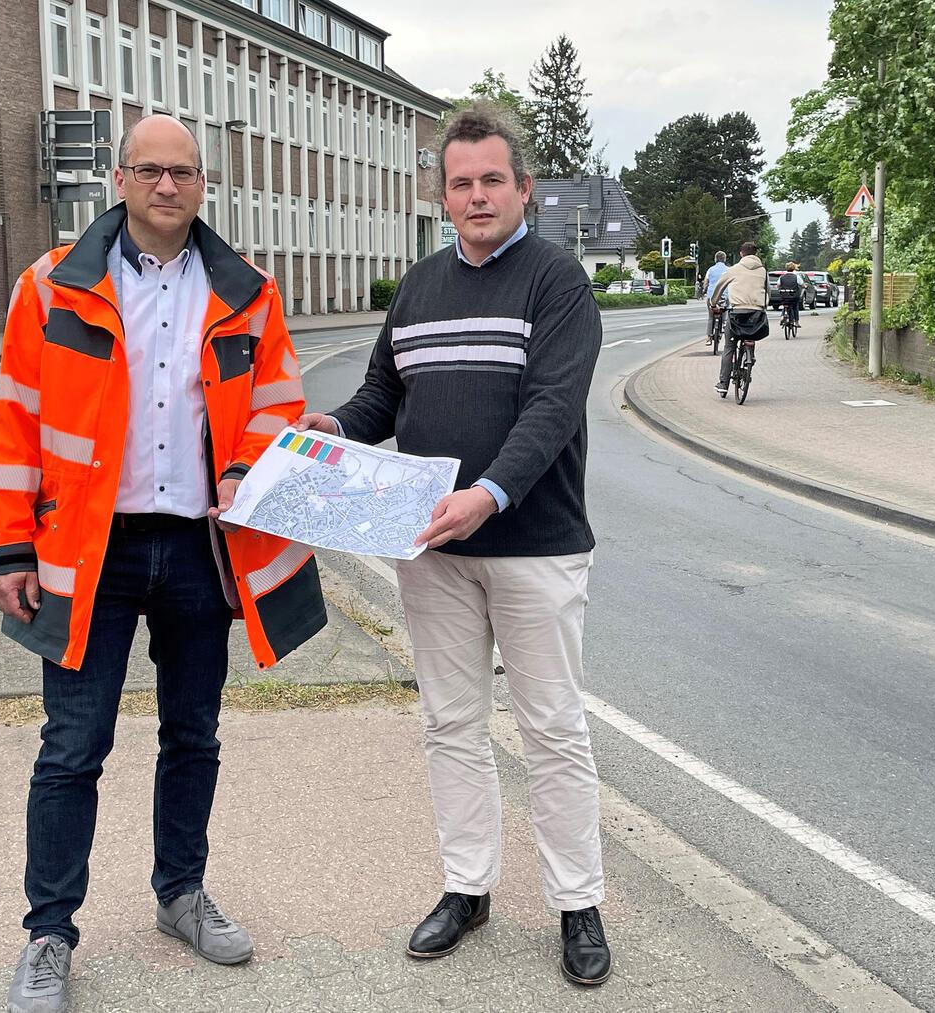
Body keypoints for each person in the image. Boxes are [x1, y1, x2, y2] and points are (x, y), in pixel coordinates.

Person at [0, 113, 327, 1013]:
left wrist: (254, 467)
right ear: (120, 178)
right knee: (71, 747)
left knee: (194, 733)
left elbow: (277, 404)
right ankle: (49, 933)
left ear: (203, 184)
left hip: (196, 547)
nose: (167, 186)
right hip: (84, 551)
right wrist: (10, 546)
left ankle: (181, 893)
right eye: (150, 170)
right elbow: (17, 419)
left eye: (183, 172)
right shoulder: (52, 284)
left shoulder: (248, 292)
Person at [296, 100, 612, 988]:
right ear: (441, 194)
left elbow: (552, 407)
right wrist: (334, 429)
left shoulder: (557, 283)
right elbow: (381, 402)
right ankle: (467, 887)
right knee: (451, 723)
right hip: (428, 544)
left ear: (524, 188)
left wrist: (489, 493)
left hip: (534, 544)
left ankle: (576, 902)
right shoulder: (420, 286)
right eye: (461, 183)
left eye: (491, 181)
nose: (477, 197)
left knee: (551, 726)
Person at [711, 243, 770, 396]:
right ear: (756, 254)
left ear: (741, 254)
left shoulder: (734, 269)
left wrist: (713, 303)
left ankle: (723, 383)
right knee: (751, 334)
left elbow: (719, 287)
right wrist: (763, 305)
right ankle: (750, 357)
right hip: (757, 313)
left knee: (729, 346)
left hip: (737, 312)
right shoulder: (763, 271)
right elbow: (768, 291)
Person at [702, 251, 730, 347]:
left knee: (710, 317)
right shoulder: (728, 270)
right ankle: (723, 327)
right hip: (724, 296)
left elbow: (706, 282)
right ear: (725, 259)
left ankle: (709, 337)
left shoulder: (710, 270)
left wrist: (704, 291)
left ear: (715, 259)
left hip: (711, 296)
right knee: (725, 312)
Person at [776, 260, 804, 329]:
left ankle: (782, 316)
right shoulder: (796, 277)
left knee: (785, 305)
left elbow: (778, 285)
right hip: (794, 295)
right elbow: (802, 285)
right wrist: (805, 286)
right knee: (795, 307)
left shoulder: (782, 277)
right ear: (794, 268)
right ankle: (796, 322)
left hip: (784, 295)